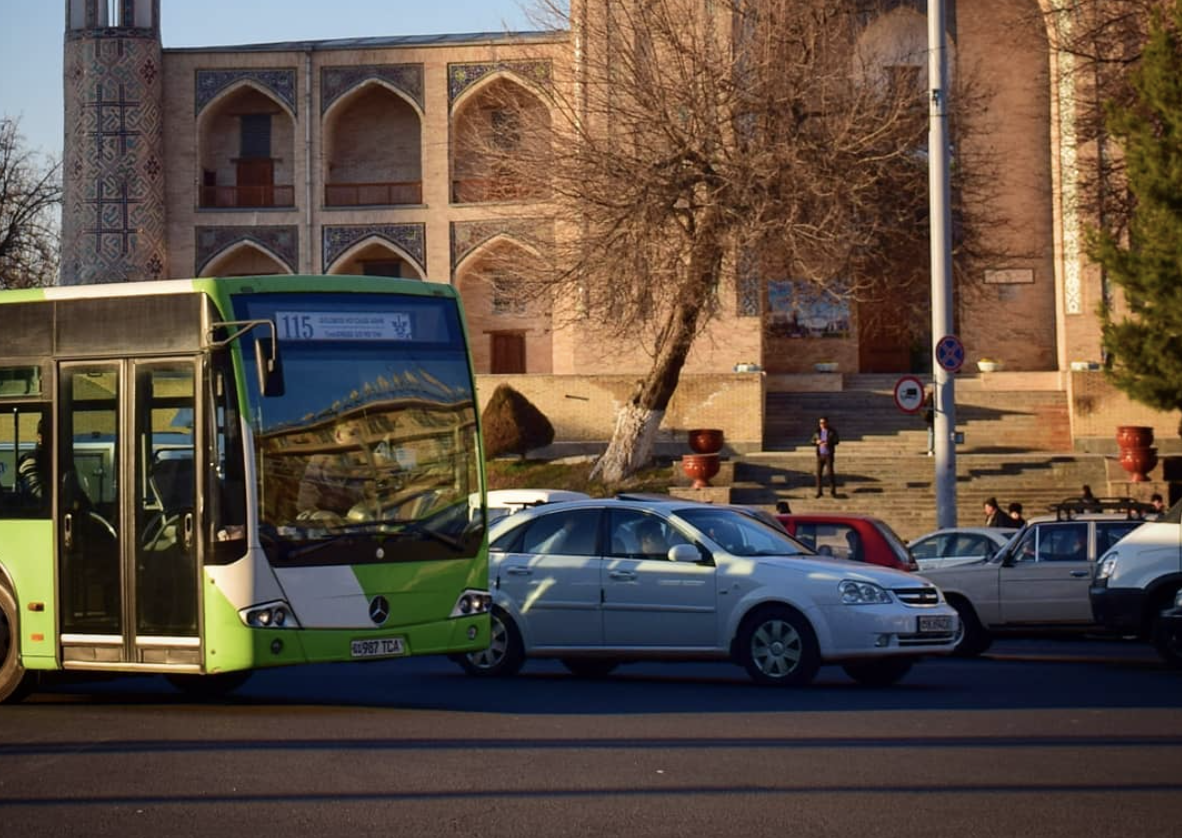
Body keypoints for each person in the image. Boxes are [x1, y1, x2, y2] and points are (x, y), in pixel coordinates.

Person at [16, 418, 50, 507]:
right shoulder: (30, 461)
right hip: (35, 515)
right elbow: (37, 494)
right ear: (40, 437)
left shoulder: (58, 460)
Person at [811, 416, 840, 498]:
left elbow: (837, 440)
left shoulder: (831, 431)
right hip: (820, 455)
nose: (822, 424)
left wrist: (829, 442)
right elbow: (812, 441)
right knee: (818, 474)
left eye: (823, 423)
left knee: (830, 473)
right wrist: (817, 442)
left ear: (827, 423)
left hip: (828, 455)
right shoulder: (817, 432)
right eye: (820, 423)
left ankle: (833, 491)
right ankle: (819, 491)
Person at [922, 388, 935, 456]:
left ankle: (931, 449)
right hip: (931, 418)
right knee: (931, 433)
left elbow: (923, 405)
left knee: (931, 433)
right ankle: (931, 449)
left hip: (931, 418)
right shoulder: (930, 399)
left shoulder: (928, 399)